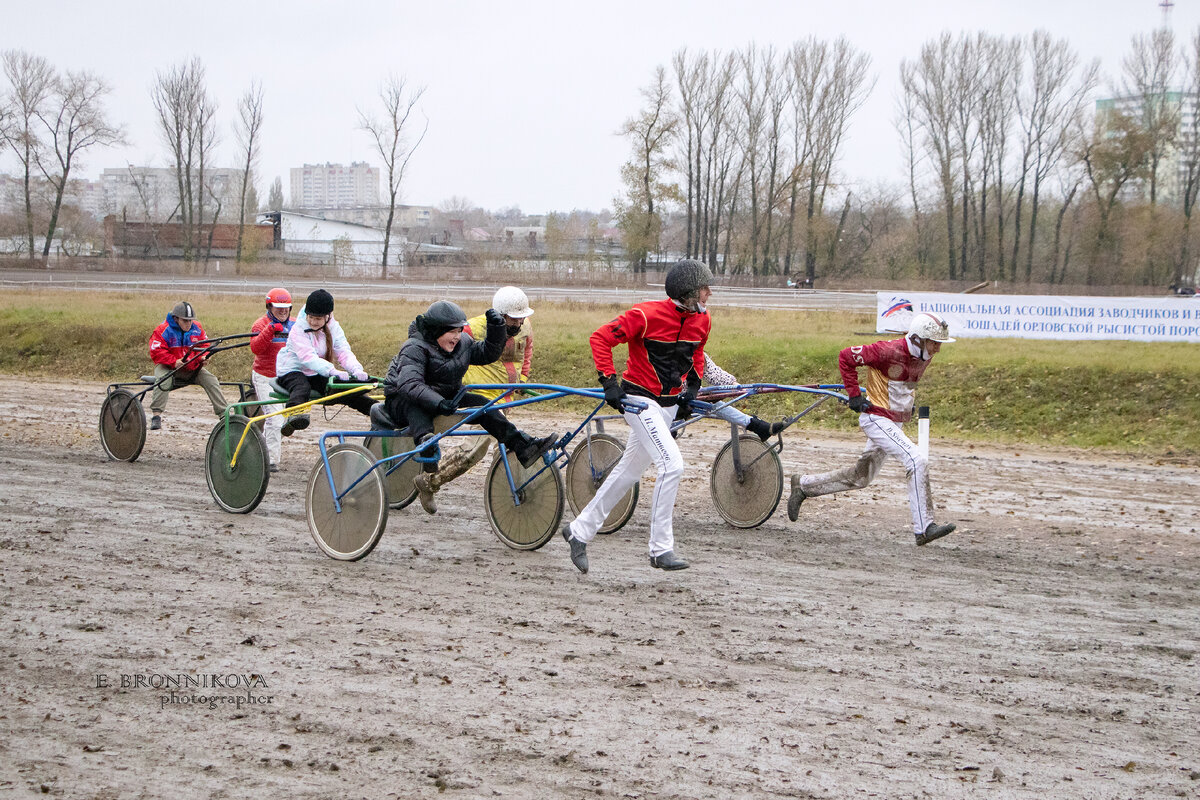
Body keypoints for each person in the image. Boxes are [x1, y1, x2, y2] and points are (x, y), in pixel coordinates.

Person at [561, 258, 713, 574]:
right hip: (639, 401)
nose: (709, 293)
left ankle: (579, 531)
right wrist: (609, 381)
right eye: (704, 288)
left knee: (628, 473)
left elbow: (696, 354)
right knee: (673, 466)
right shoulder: (645, 315)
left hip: (669, 406)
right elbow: (600, 338)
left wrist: (693, 387)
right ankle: (660, 549)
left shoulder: (702, 320)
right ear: (687, 293)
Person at [785, 312, 958, 546]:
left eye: (939, 344)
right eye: (934, 343)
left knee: (861, 477)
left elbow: (901, 385)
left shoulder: (923, 354)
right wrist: (854, 395)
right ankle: (924, 528)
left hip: (893, 422)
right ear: (918, 339)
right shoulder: (886, 350)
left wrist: (907, 404)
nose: (937, 349)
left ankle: (803, 485)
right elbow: (846, 356)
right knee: (916, 460)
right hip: (877, 419)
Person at [382, 299, 558, 513]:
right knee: (417, 406)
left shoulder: (462, 343)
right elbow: (410, 384)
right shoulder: (414, 348)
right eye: (452, 332)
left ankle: (523, 446)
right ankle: (426, 447)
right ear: (437, 330)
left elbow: (486, 354)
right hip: (402, 399)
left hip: (444, 395)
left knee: (485, 407)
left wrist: (496, 330)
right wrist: (438, 403)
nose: (457, 336)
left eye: (458, 331)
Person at [409, 287, 538, 514]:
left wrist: (523, 379)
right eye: (513, 319)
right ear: (500, 314)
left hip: (504, 395)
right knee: (476, 449)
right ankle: (430, 481)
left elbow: (526, 354)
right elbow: (448, 353)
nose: (518, 324)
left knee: (505, 445)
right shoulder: (470, 328)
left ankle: (511, 497)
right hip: (480, 394)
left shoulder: (526, 328)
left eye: (521, 319)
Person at [274, 289, 374, 434]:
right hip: (292, 370)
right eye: (311, 318)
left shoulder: (334, 328)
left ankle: (375, 409)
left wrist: (356, 369)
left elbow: (343, 351)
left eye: (318, 319)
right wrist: (332, 370)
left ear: (327, 317)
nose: (313, 322)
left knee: (342, 390)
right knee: (302, 387)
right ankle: (294, 415)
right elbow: (308, 358)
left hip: (316, 371)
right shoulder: (298, 330)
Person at [147, 301, 229, 430]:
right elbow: (156, 351)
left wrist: (204, 356)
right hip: (167, 367)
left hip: (191, 367)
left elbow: (205, 345)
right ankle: (156, 415)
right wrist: (174, 361)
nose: (189, 323)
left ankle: (224, 415)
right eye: (185, 321)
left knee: (211, 380)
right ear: (176, 319)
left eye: (190, 320)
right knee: (163, 381)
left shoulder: (197, 328)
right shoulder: (162, 330)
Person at [249, 288, 295, 472]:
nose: (283, 311)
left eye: (286, 308)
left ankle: (262, 446)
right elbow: (256, 349)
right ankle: (270, 461)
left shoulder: (295, 324)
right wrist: (269, 331)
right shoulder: (260, 325)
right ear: (269, 306)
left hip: (287, 378)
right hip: (265, 377)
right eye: (278, 308)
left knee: (283, 420)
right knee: (275, 420)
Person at [701, 354, 786, 441]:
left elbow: (713, 373)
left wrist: (734, 385)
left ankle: (758, 425)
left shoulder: (698, 352)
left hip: (694, 392)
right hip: (689, 394)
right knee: (710, 403)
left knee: (712, 402)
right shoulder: (689, 348)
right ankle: (758, 425)